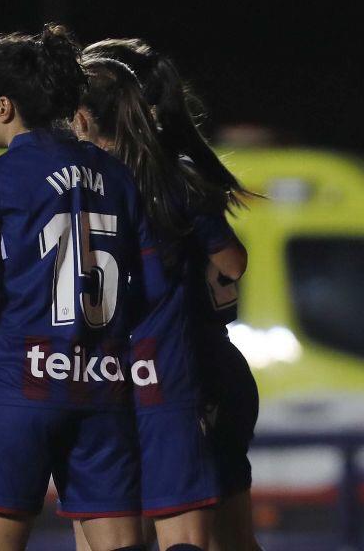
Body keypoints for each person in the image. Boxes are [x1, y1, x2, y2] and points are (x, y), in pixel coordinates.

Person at [0, 23, 164, 551]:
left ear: (4, 106)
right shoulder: (118, 176)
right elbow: (151, 288)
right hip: (102, 390)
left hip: (20, 388)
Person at [82, 39, 262, 551]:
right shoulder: (175, 175)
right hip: (190, 368)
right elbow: (233, 264)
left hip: (166, 374)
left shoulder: (93, 184)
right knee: (226, 537)